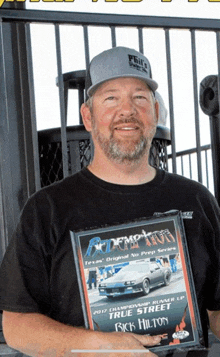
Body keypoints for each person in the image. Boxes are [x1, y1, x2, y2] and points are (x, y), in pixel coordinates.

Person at [0, 46, 220, 357]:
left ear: (156, 112)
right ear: (88, 117)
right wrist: (98, 345)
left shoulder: (197, 200)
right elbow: (17, 326)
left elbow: (215, 310)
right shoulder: (48, 208)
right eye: (111, 98)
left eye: (140, 98)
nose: (127, 110)